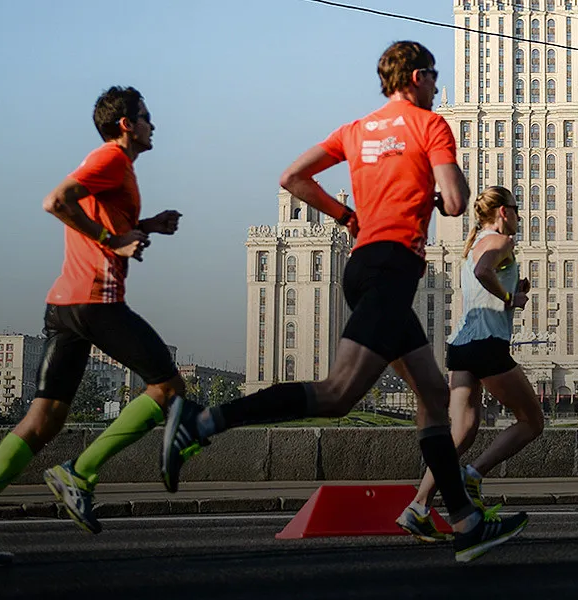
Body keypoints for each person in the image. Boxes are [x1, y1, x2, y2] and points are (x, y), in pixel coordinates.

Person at [159, 41, 526, 563]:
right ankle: (202, 423)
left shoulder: (356, 130)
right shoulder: (430, 125)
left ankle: (465, 520)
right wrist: (440, 181)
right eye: (433, 77)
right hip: (393, 269)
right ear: (418, 77)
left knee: (432, 394)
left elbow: (292, 177)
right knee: (337, 394)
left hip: (362, 266)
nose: (437, 87)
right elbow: (458, 202)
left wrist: (343, 214)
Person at [0, 86, 188, 567]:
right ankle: (80, 473)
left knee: (42, 420)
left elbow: (97, 216)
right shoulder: (111, 159)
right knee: (168, 388)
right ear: (126, 124)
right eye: (147, 116)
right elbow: (56, 202)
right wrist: (113, 240)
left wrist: (147, 226)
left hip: (64, 304)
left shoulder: (120, 169)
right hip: (96, 300)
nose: (155, 124)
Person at [395, 186, 545, 541]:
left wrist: (511, 290)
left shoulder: (474, 243)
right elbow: (483, 273)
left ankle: (417, 507)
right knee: (532, 421)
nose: (520, 217)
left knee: (460, 433)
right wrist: (512, 297)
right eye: (516, 209)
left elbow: (480, 275)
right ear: (503, 212)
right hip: (486, 346)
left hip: (460, 346)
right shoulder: (500, 242)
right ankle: (472, 476)